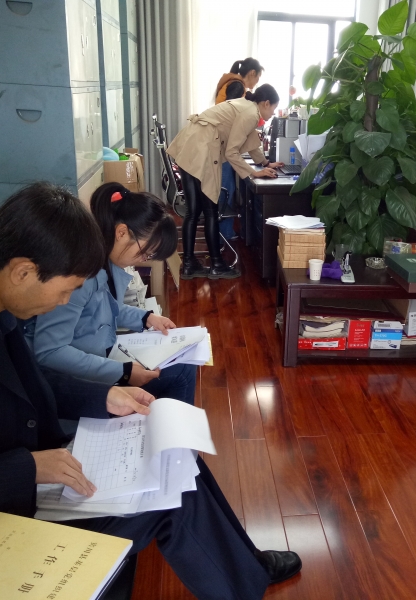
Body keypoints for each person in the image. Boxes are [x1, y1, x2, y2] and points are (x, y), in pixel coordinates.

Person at [0, 182, 301, 599]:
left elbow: (30, 383)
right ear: (23, 271)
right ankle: (245, 576)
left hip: (35, 470)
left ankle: (246, 565)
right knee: (170, 497)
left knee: (173, 461)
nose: (64, 303)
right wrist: (29, 468)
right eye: (65, 290)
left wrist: (103, 396)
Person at [25, 182, 197, 405]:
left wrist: (146, 318)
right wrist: (123, 372)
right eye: (145, 253)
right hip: (73, 378)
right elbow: (50, 351)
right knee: (181, 372)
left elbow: (104, 309)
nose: (143, 260)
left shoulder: (107, 261)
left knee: (182, 365)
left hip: (100, 354)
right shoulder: (79, 276)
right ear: (121, 232)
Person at [168, 84, 284, 280]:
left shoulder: (247, 107)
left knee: (193, 211)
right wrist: (253, 173)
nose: (273, 113)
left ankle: (188, 265)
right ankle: (217, 265)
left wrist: (265, 163)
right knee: (210, 210)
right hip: (202, 148)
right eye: (274, 108)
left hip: (191, 145)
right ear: (266, 103)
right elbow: (232, 152)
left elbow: (250, 141)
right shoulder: (250, 114)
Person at [214, 58, 264, 241]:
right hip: (222, 148)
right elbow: (234, 119)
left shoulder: (231, 83)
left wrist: (263, 161)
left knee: (227, 190)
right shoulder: (237, 87)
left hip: (221, 144)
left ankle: (223, 233)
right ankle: (224, 235)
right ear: (252, 73)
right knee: (226, 191)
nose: (255, 83)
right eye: (257, 78)